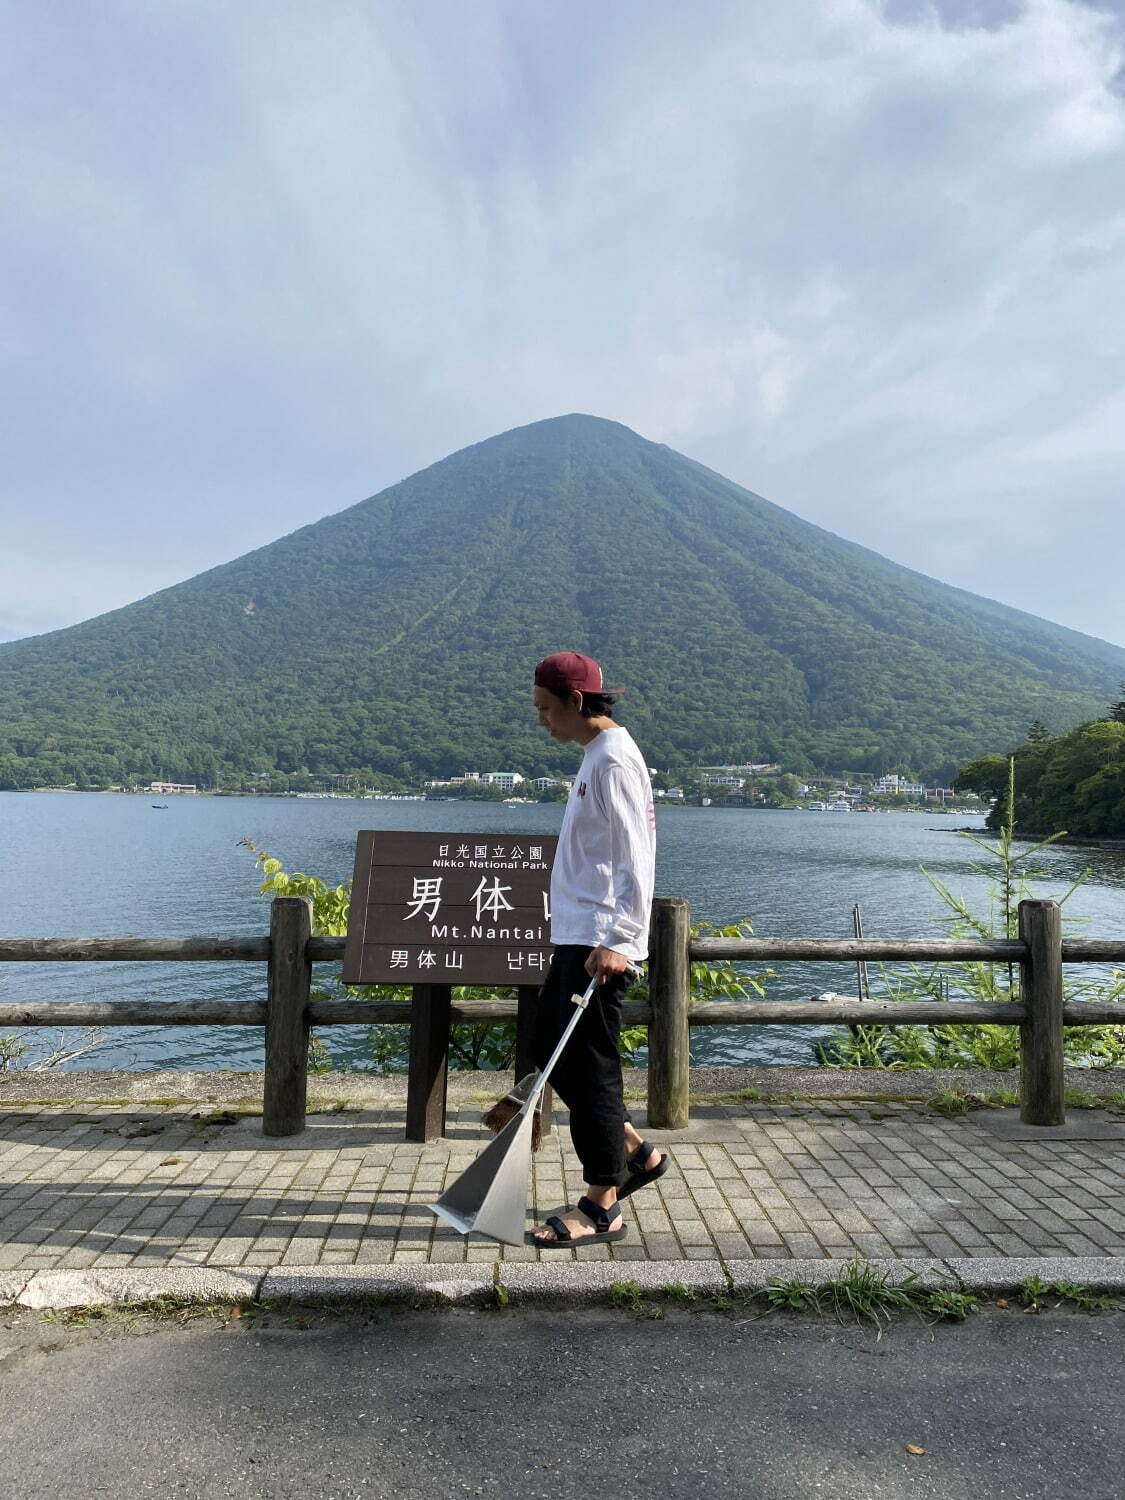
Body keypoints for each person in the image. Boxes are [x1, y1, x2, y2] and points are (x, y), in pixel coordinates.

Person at [529, 650, 667, 1247]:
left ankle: (602, 1203)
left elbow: (637, 856)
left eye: (545, 708)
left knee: (591, 1066)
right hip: (579, 933)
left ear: (576, 701)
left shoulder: (613, 760)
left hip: (599, 943)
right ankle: (634, 1152)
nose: (541, 720)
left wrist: (620, 941)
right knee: (547, 1049)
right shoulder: (596, 756)